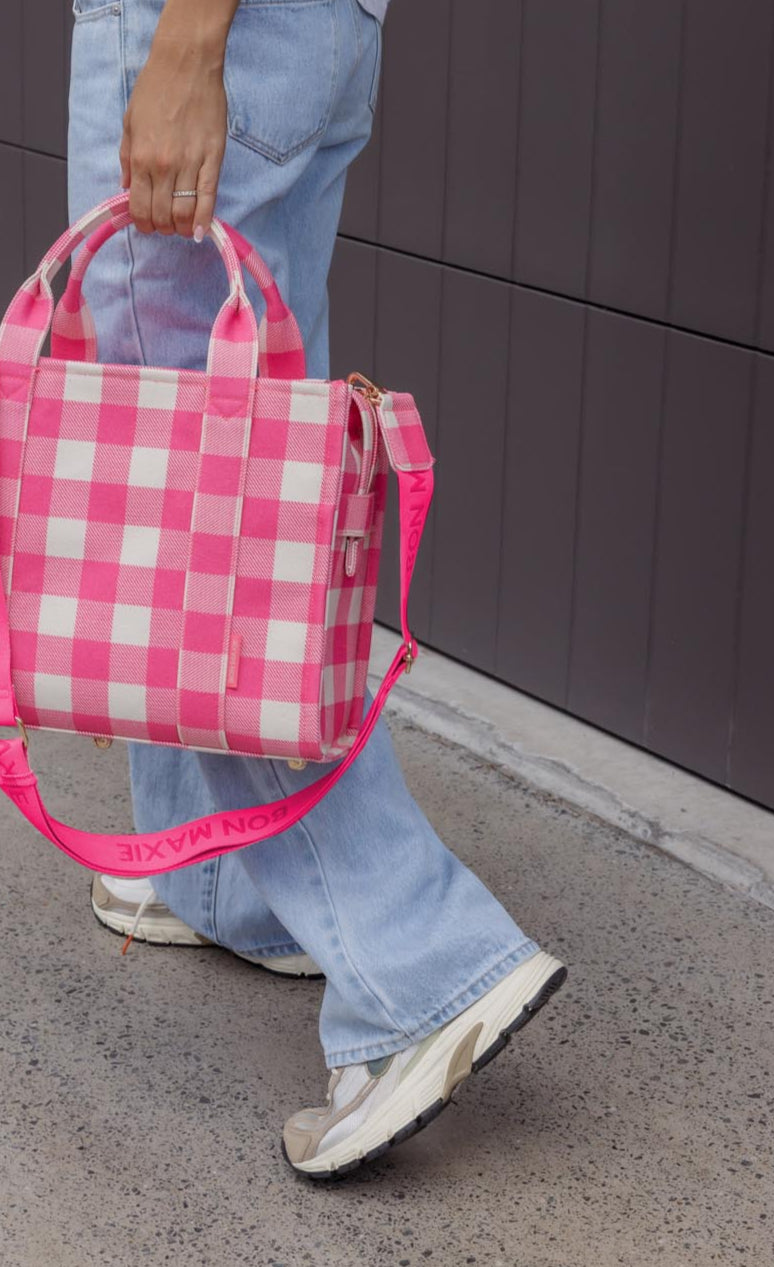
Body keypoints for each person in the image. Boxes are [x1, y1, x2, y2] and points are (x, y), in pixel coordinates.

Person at [66, 0, 566, 1177]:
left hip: (203, 28)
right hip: (300, 27)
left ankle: (423, 964)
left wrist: (186, 42)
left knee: (196, 521)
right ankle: (217, 878)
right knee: (249, 477)